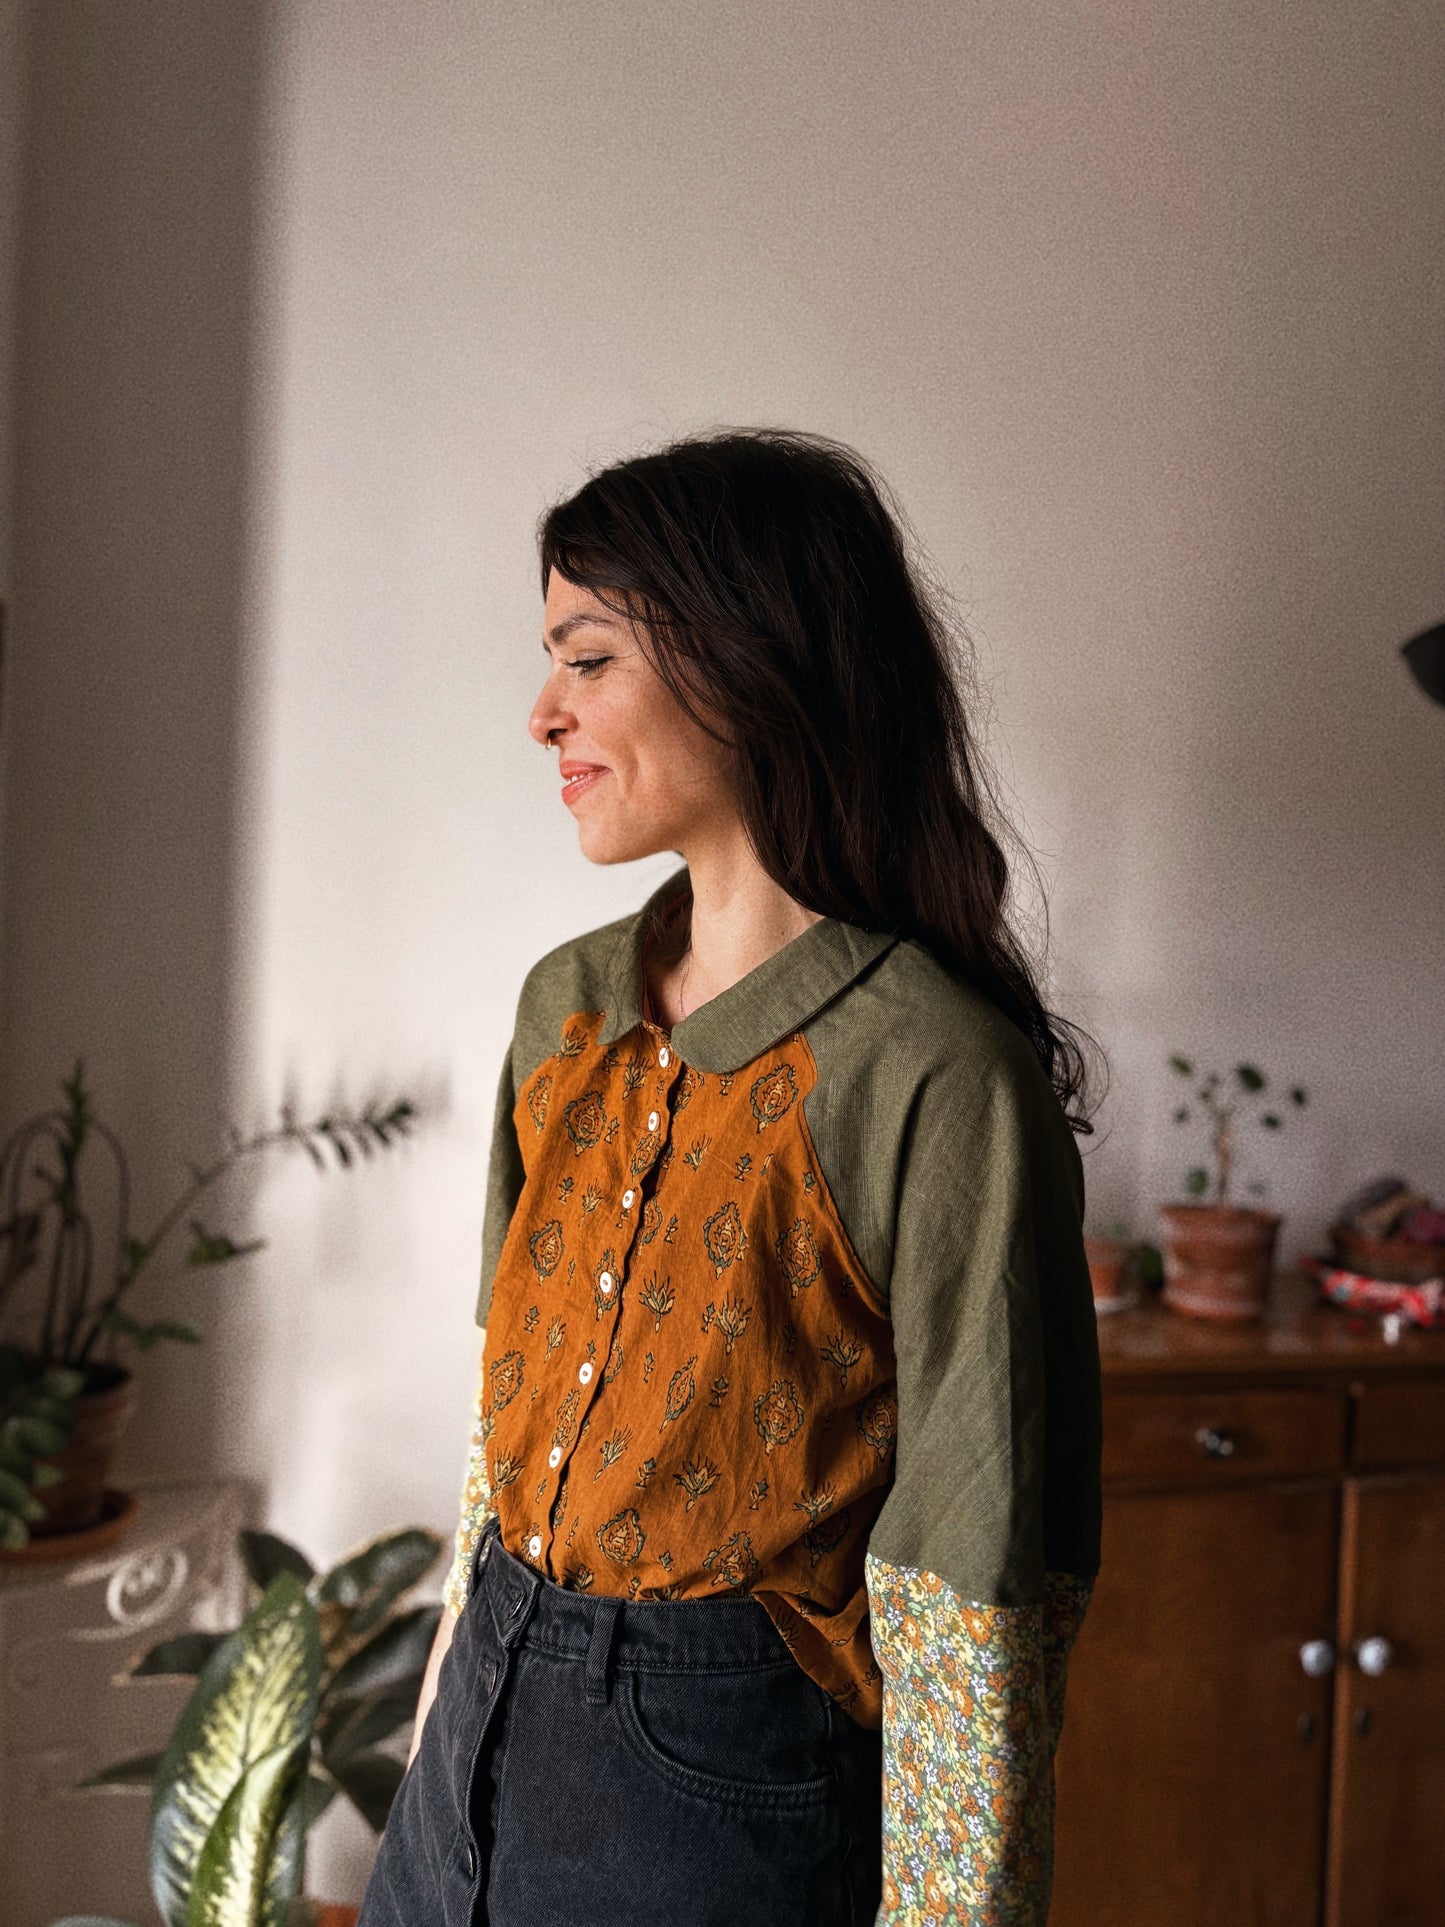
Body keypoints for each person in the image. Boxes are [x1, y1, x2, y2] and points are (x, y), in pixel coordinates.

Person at [357, 426, 1104, 1927]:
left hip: (718, 1785)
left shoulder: (930, 1069)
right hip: (475, 1728)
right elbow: (502, 1420)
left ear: (739, 659)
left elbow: (978, 1571)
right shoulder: (562, 1007)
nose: (539, 713)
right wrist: (449, 1698)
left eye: (585, 658)